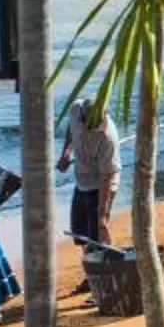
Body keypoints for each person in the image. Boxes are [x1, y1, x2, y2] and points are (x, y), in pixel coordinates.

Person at [55, 98, 116, 254]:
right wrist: (66, 153)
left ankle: (102, 270)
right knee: (81, 234)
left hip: (101, 185)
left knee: (97, 236)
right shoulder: (76, 109)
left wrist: (102, 217)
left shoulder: (107, 138)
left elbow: (107, 177)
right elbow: (71, 128)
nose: (90, 131)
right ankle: (92, 269)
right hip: (81, 182)